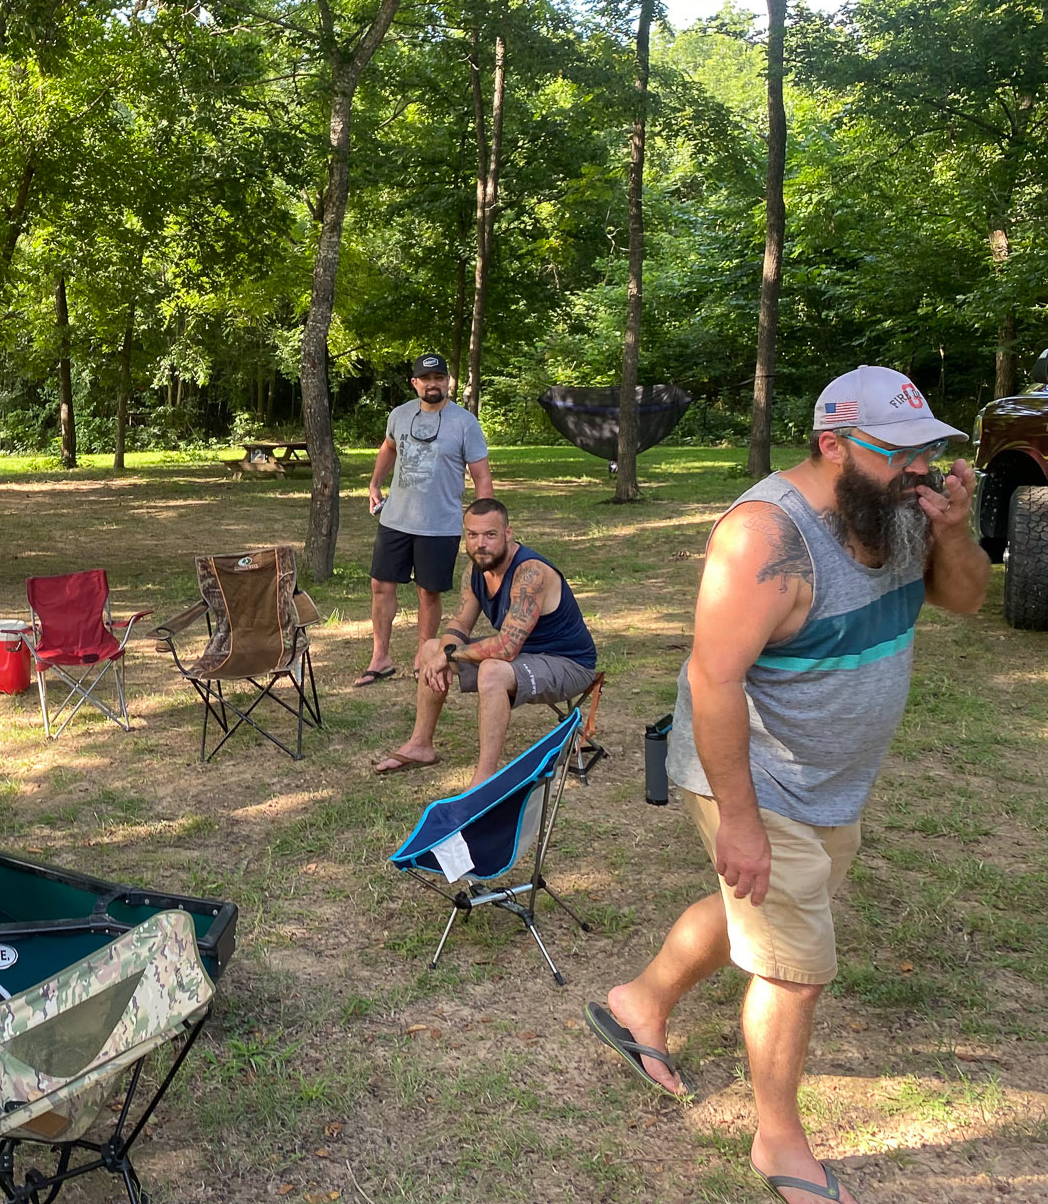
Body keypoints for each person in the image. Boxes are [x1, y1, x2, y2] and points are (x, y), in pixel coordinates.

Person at [586, 367, 988, 1204]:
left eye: (927, 449)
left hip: (832, 782)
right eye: (900, 452)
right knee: (794, 969)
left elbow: (965, 601)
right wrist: (739, 821)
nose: (920, 468)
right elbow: (713, 680)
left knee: (760, 912)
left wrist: (954, 532)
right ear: (833, 444)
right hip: (759, 778)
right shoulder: (766, 538)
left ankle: (638, 1000)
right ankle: (778, 1140)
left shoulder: (901, 509)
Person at [373, 496, 596, 778]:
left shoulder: (531, 574)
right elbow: (459, 623)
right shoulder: (476, 571)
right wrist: (443, 652)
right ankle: (420, 745)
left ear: (508, 533)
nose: (481, 544)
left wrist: (450, 655)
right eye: (473, 535)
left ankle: (484, 779)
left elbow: (506, 647)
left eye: (490, 535)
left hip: (568, 664)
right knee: (430, 648)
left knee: (491, 670)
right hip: (524, 655)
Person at [358, 352, 494, 687]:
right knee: (380, 586)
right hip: (395, 519)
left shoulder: (465, 423)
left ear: (447, 381)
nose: (433, 384)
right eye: (426, 379)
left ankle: (423, 655)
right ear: (415, 383)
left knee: (428, 592)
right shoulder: (400, 415)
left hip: (439, 525)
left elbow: (481, 476)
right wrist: (375, 482)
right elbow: (389, 447)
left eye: (439, 378)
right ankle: (380, 658)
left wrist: (483, 523)